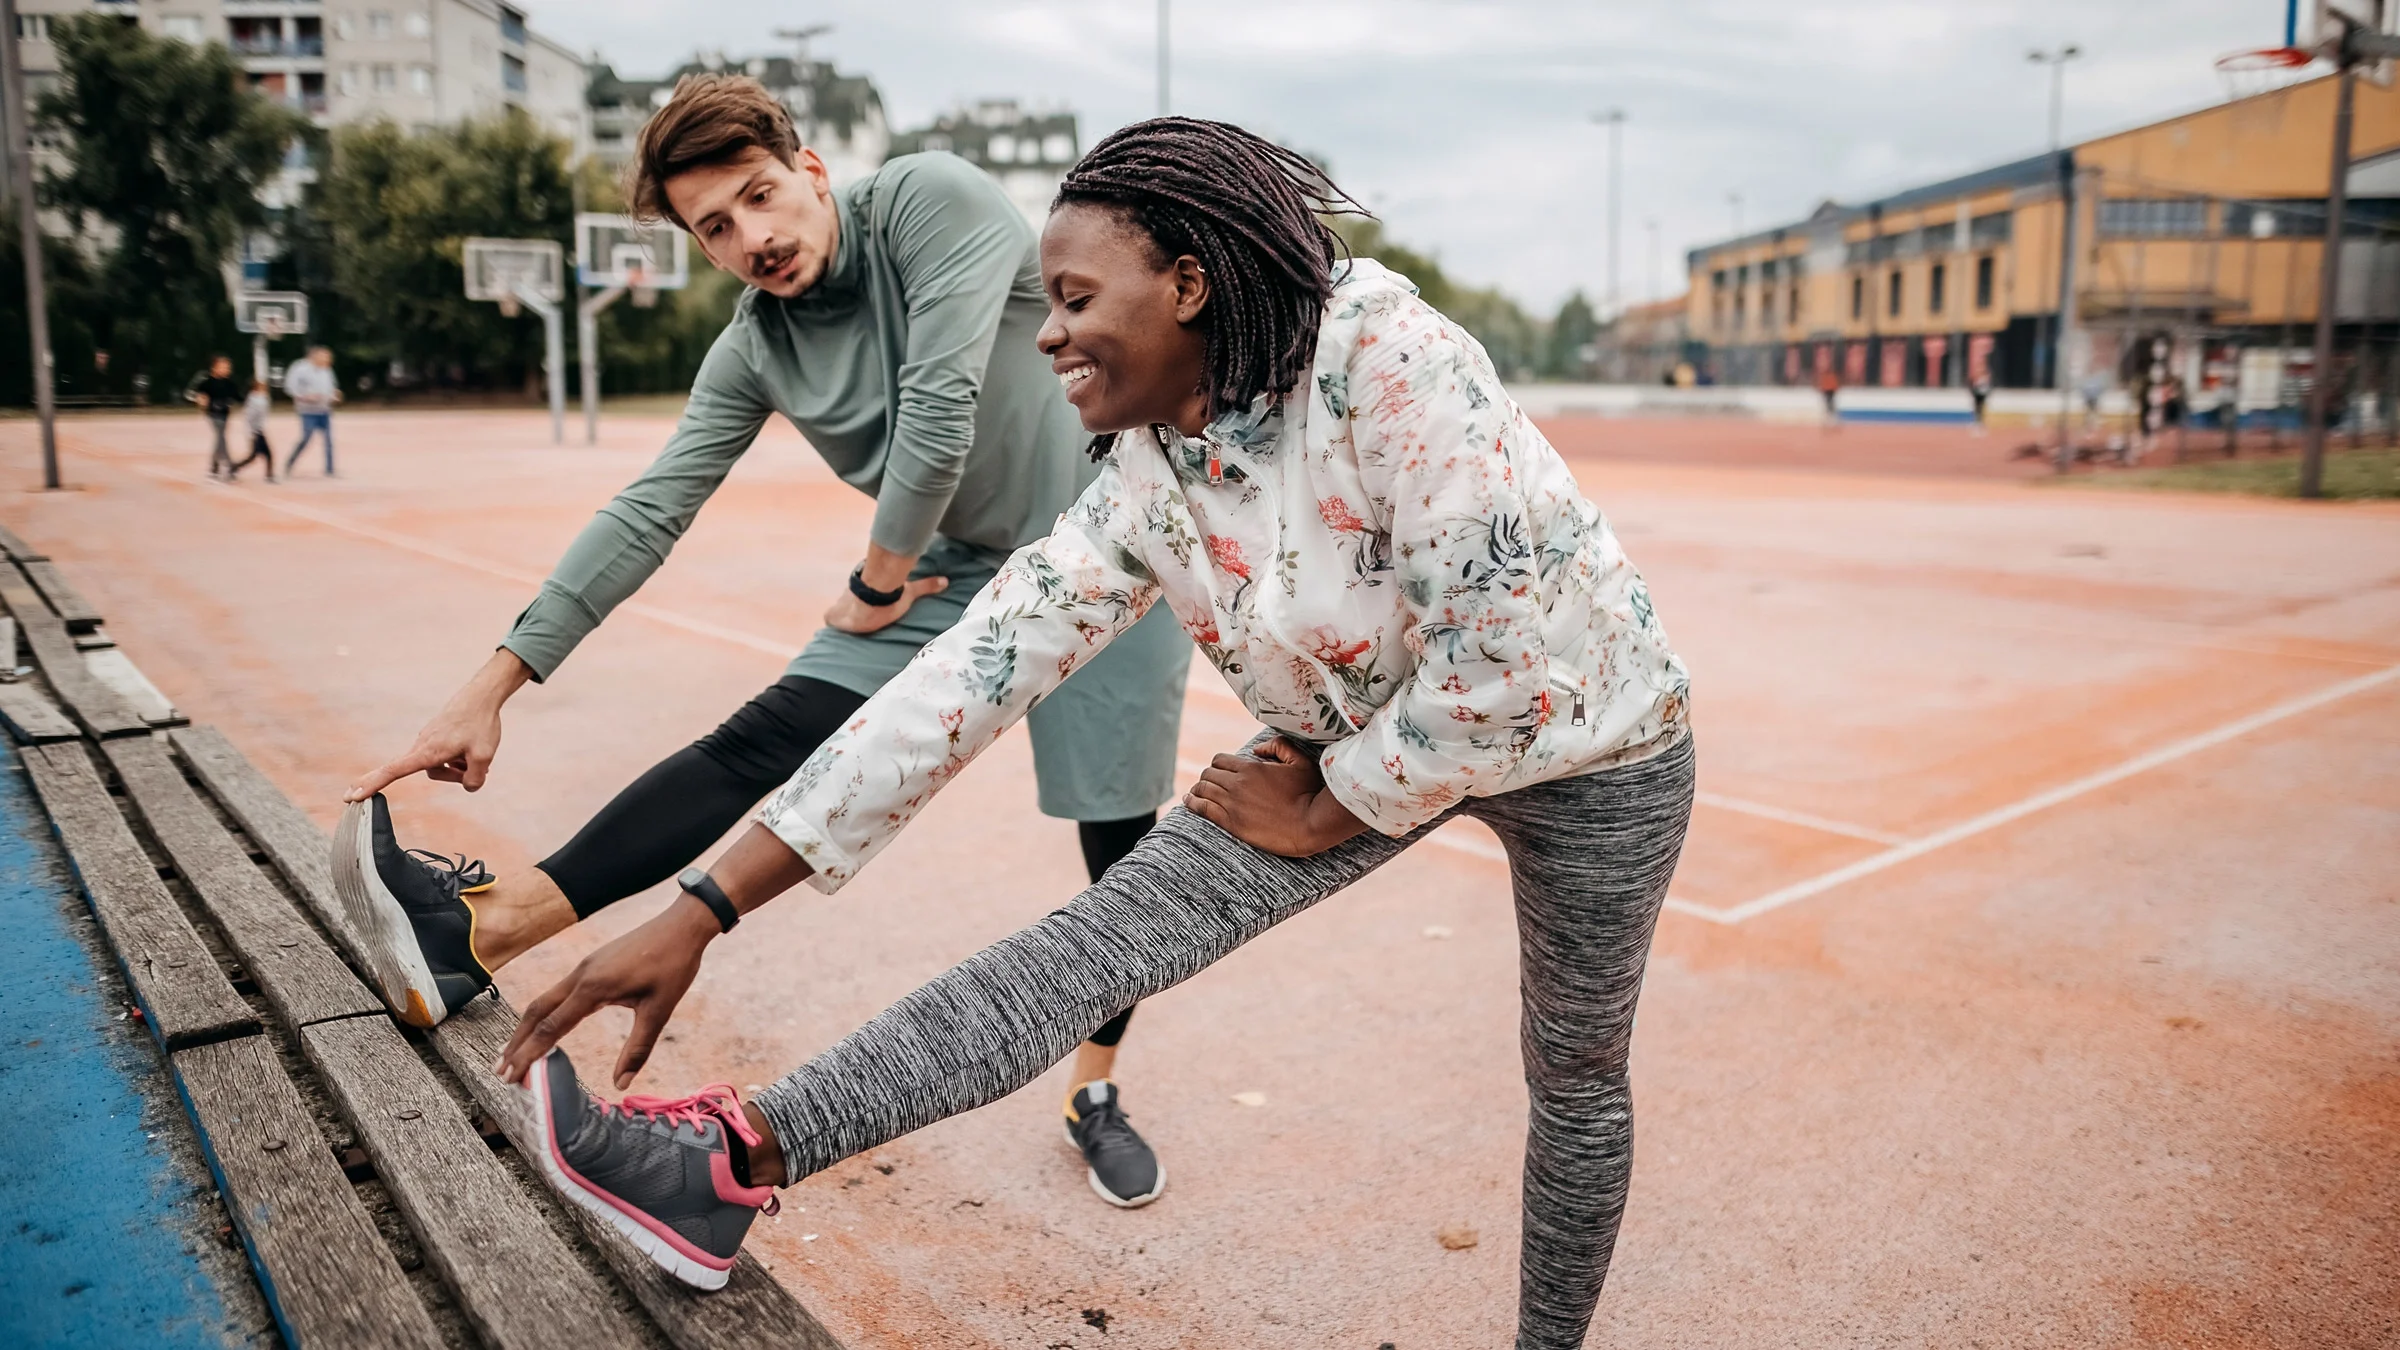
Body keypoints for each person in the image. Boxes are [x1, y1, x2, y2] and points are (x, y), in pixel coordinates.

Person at [489, 118, 1695, 1344]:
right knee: (1090, 950)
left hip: (1596, 745)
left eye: (1072, 298)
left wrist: (1332, 807)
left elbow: (1494, 677)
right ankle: (724, 1166)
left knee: (1576, 1071)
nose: (1046, 332)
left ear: (1188, 286)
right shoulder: (1143, 472)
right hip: (1342, 747)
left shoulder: (1390, 360)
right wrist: (705, 906)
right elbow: (963, 680)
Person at [337, 75, 1190, 1210]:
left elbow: (938, 408)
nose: (752, 237)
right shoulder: (756, 347)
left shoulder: (930, 201)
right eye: (715, 228)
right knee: (766, 736)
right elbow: (652, 506)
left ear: (812, 170)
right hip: (950, 568)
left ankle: (1094, 1086)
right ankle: (475, 934)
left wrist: (873, 581)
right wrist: (494, 681)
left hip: (1112, 548)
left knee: (1116, 849)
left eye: (759, 196)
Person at [283, 345, 341, 476]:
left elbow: (332, 387)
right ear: (315, 356)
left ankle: (330, 469)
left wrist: (335, 395)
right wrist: (305, 396)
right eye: (325, 357)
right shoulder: (299, 368)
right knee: (306, 437)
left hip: (324, 409)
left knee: (328, 440)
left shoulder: (326, 370)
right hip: (307, 410)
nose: (328, 360)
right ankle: (290, 462)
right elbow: (290, 387)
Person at [185, 355, 242, 478]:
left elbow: (237, 397)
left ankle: (214, 466)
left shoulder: (229, 383)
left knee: (219, 438)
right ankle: (229, 465)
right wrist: (199, 398)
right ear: (214, 368)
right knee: (221, 437)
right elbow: (190, 393)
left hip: (225, 413)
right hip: (212, 413)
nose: (226, 370)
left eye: (228, 367)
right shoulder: (206, 381)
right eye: (223, 367)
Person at [226, 379, 277, 482]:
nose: (265, 389)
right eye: (262, 387)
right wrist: (251, 434)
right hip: (255, 432)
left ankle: (234, 468)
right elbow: (249, 418)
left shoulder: (261, 399)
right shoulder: (254, 401)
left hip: (259, 430)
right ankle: (234, 468)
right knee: (258, 455)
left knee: (263, 454)